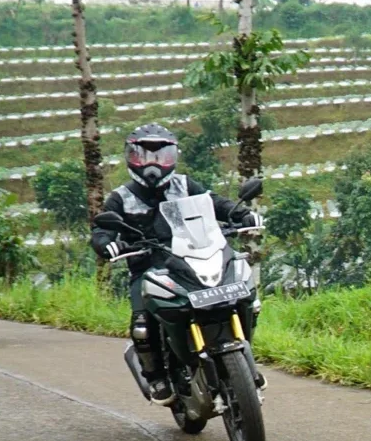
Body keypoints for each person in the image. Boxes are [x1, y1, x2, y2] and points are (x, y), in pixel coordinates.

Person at [90, 124, 261, 405]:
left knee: (242, 295)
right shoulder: (121, 197)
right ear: (130, 157)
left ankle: (242, 358)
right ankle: (156, 376)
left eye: (162, 156)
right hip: (149, 269)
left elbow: (216, 203)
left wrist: (242, 214)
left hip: (192, 260)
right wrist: (107, 243)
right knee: (142, 324)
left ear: (174, 157)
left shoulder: (185, 185)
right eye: (144, 156)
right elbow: (102, 229)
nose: (153, 164)